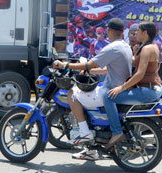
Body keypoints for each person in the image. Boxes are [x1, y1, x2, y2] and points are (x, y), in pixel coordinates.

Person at [53, 18, 132, 160]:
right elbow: (108, 68)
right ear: (122, 32)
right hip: (117, 86)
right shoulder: (125, 46)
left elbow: (88, 65)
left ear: (108, 31)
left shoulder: (112, 47)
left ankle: (84, 132)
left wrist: (64, 65)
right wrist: (92, 71)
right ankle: (90, 150)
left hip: (110, 90)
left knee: (72, 94)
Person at [103, 21, 162, 149]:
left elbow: (140, 74)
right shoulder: (150, 46)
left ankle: (117, 133)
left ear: (145, 32)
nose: (136, 34)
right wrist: (135, 53)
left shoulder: (147, 49)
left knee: (108, 97)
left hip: (147, 90)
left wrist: (121, 88)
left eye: (139, 31)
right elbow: (138, 64)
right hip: (151, 88)